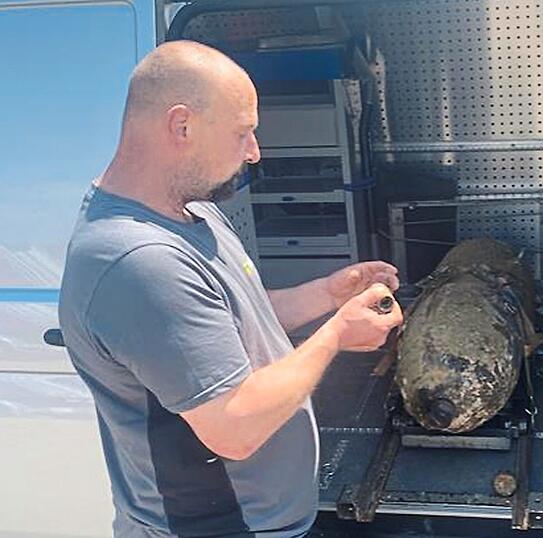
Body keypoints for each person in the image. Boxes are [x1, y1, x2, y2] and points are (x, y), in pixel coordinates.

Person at [58, 40, 404, 537]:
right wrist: (336, 336)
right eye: (243, 132)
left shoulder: (193, 211)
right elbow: (234, 428)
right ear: (182, 126)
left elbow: (234, 322)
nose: (255, 152)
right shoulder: (137, 261)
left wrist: (327, 295)